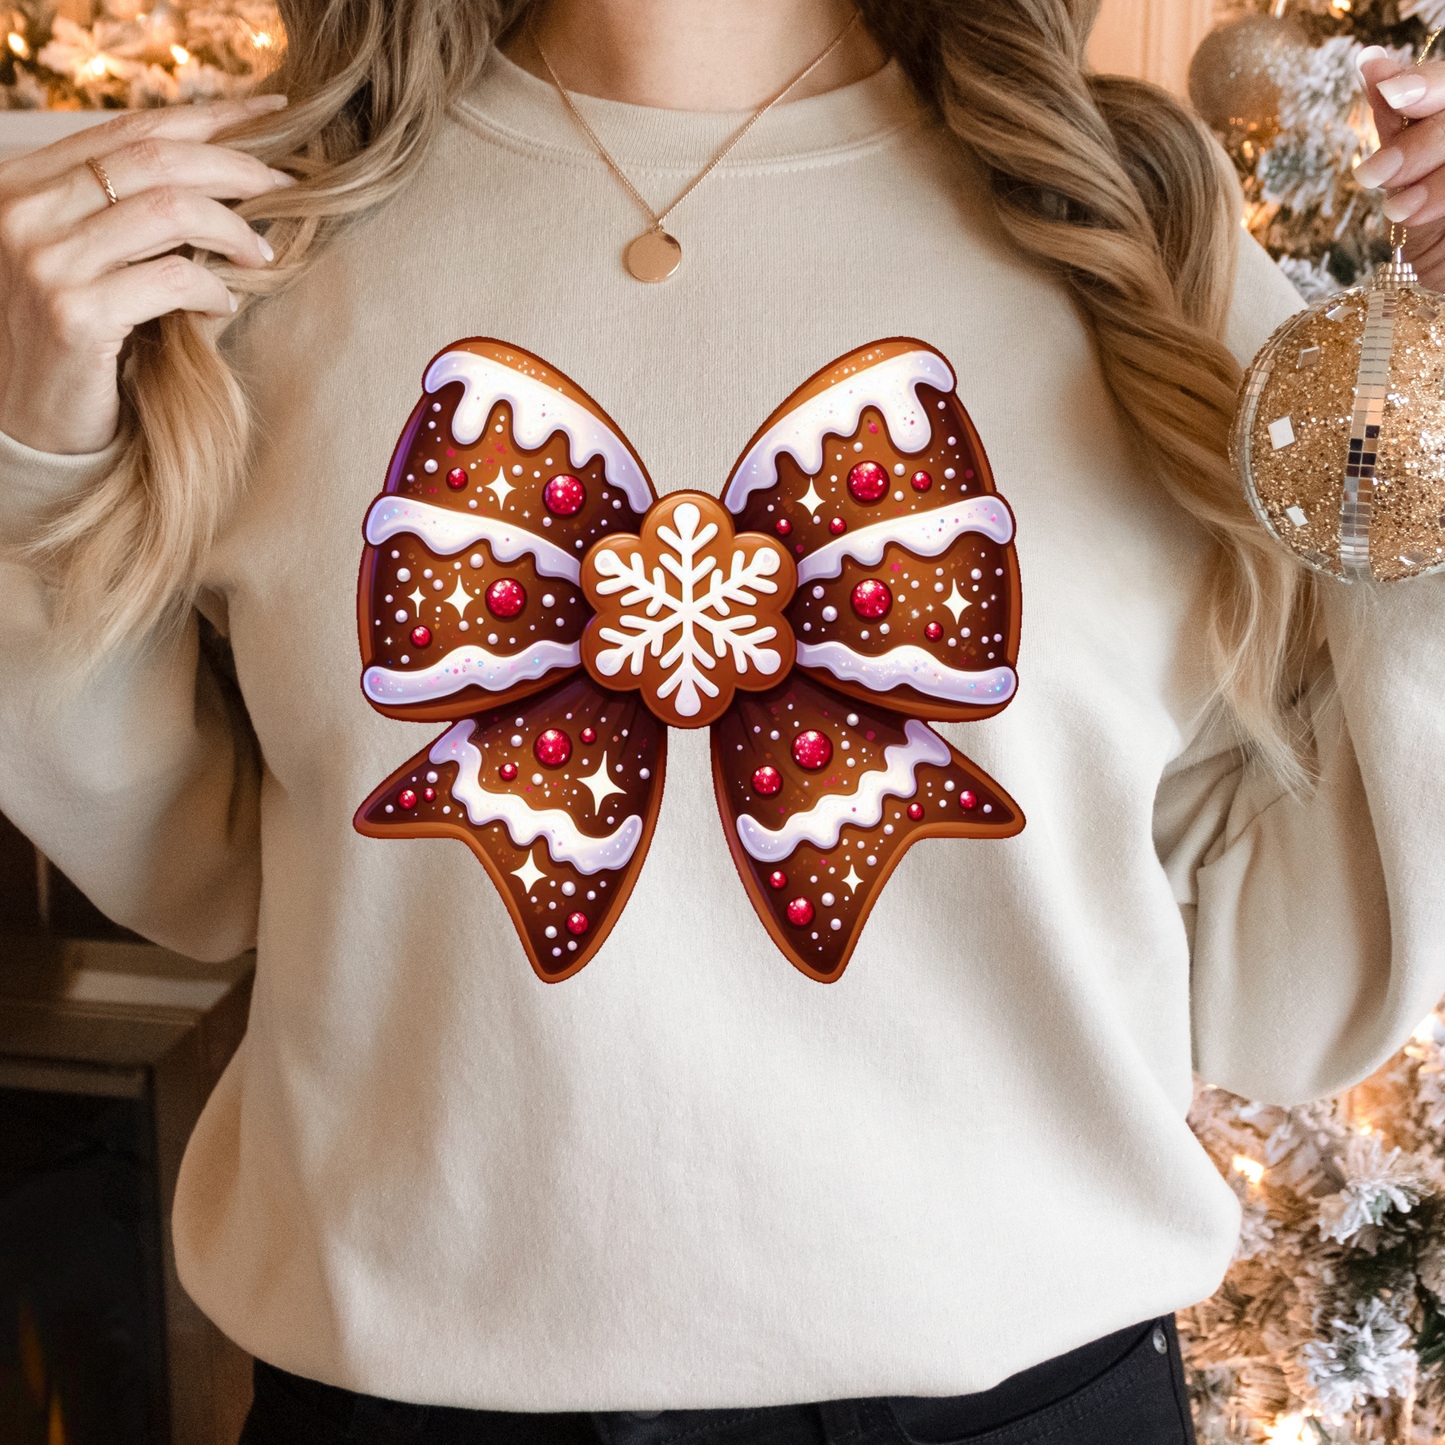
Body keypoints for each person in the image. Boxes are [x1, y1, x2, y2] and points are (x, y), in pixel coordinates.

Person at [0, 1, 1441, 1440]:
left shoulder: (1144, 249)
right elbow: (201, 871)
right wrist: (30, 458)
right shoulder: (242, 241)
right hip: (402, 1404)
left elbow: (1271, 985)